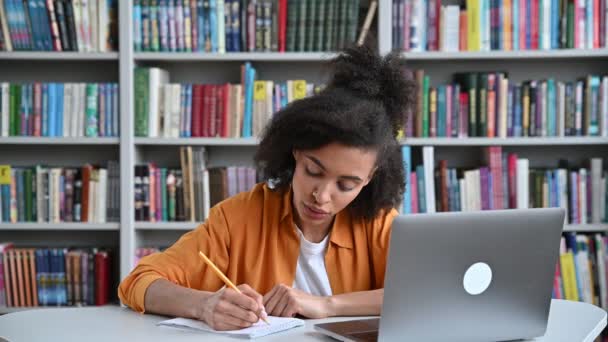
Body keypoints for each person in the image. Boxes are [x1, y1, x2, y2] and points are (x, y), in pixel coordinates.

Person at [118, 45, 416, 331]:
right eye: (314, 171)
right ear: (296, 152)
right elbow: (138, 282)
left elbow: (420, 295)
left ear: (368, 179)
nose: (322, 196)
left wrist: (327, 305)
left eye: (346, 185)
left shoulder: (377, 224)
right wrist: (205, 305)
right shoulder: (238, 218)